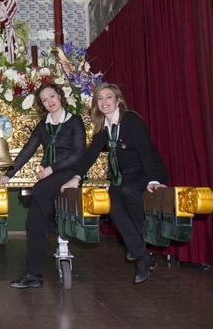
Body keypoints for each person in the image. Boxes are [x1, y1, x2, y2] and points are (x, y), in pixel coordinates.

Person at [61, 82, 168, 285]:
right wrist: (76, 178)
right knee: (112, 204)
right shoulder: (104, 127)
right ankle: (142, 255)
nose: (104, 102)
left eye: (108, 97)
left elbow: (146, 152)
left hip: (147, 171)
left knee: (128, 191)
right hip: (125, 176)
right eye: (100, 99)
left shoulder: (131, 120)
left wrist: (154, 180)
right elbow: (90, 154)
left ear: (118, 100)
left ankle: (137, 247)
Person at [0, 84, 86, 288]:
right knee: (33, 223)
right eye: (45, 100)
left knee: (38, 190)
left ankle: (53, 221)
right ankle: (33, 274)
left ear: (60, 96)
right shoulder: (43, 126)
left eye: (52, 96)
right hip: (52, 176)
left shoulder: (74, 121)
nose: (50, 101)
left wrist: (51, 169)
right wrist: (8, 175)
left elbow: (78, 153)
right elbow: (27, 151)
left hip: (70, 172)